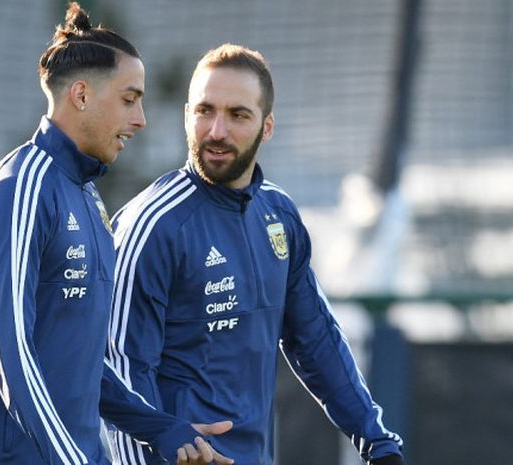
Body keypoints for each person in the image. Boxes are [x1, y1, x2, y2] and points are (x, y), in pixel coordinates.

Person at [0, 5, 234, 465]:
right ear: (80, 95)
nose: (141, 120)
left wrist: (162, 428)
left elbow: (83, 361)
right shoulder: (19, 189)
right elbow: (10, 352)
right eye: (130, 98)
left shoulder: (88, 199)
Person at [106, 44, 405, 465]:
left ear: (267, 127)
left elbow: (314, 340)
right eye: (205, 111)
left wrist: (376, 440)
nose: (216, 131)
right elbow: (120, 377)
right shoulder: (152, 225)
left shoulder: (278, 215)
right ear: (186, 115)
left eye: (238, 115)